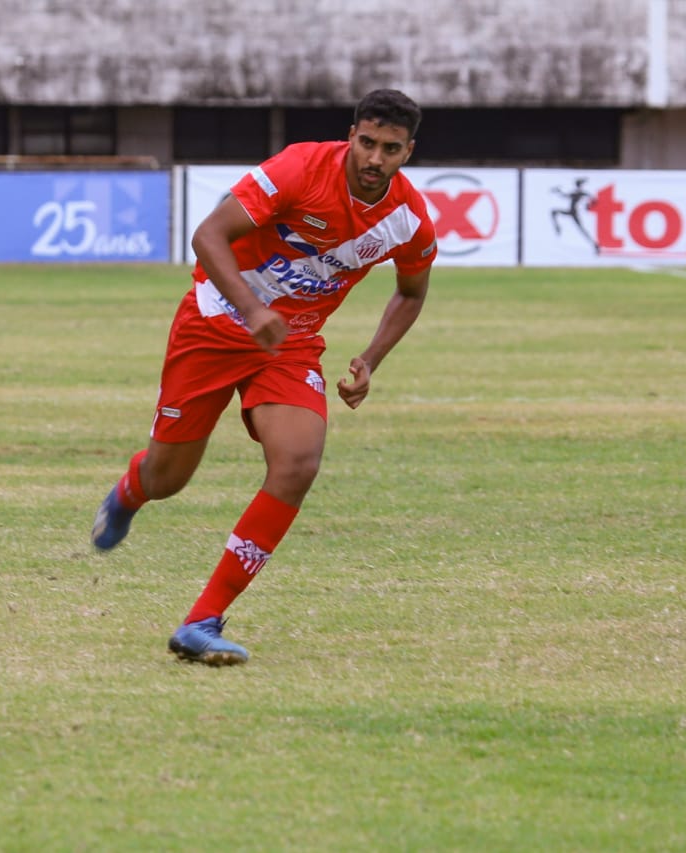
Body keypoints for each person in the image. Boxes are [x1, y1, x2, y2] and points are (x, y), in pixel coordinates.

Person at [90, 89, 437, 666]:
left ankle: (203, 619)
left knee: (299, 462)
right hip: (215, 322)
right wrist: (253, 309)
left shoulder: (406, 217)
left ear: (408, 152)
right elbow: (208, 235)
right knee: (169, 477)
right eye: (368, 143)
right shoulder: (300, 167)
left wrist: (371, 359)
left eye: (391, 150)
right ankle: (131, 489)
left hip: (290, 342)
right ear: (352, 135)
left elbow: (411, 291)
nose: (376, 159)